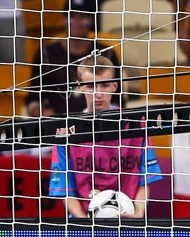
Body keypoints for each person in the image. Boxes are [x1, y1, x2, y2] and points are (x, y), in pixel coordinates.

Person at [48, 55, 163, 218]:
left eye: (104, 85)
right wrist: (85, 223)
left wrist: (137, 213)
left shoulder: (137, 124)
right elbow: (65, 189)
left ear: (115, 86)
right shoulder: (66, 131)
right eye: (91, 86)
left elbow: (145, 179)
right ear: (80, 87)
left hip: (128, 223)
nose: (98, 94)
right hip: (83, 226)